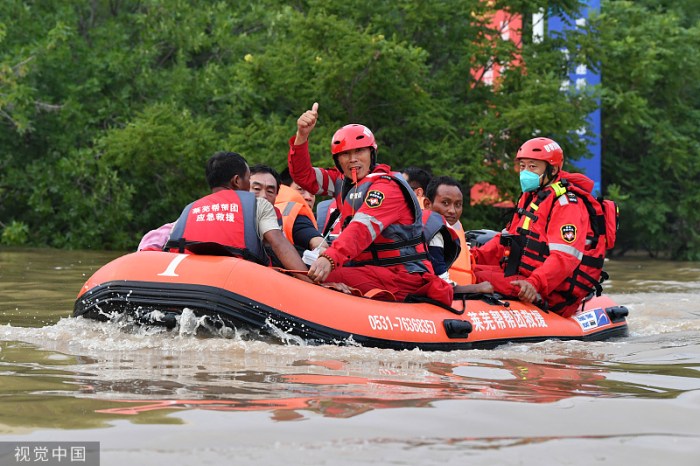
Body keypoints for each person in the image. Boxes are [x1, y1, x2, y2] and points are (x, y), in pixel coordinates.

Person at [287, 102, 453, 305]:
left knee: (311, 276)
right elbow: (303, 176)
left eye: (359, 152)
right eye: (345, 154)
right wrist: (301, 136)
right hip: (367, 270)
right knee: (297, 263)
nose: (353, 160)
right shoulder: (342, 182)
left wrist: (329, 258)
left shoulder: (387, 188)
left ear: (372, 153)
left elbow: (361, 229)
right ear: (337, 159)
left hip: (401, 276)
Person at [472, 137, 609, 317]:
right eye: (522, 166)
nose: (525, 172)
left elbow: (564, 258)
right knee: (468, 269)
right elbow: (507, 239)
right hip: (523, 277)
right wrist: (471, 257)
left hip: (549, 290)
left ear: (552, 169)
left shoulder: (567, 204)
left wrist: (535, 283)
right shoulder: (532, 198)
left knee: (473, 278)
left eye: (533, 166)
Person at [165, 151, 312, 283]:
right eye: (248, 179)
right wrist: (309, 282)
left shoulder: (190, 209)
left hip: (187, 278)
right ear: (236, 181)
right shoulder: (259, 204)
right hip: (239, 282)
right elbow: (279, 244)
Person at [423, 176, 493, 294]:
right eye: (445, 203)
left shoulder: (418, 223)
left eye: (458, 205)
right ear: (427, 204)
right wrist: (477, 288)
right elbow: (443, 286)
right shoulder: (434, 233)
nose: (452, 210)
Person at [249, 164, 326, 255]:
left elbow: (319, 244)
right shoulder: (232, 212)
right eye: (300, 189)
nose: (309, 197)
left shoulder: (296, 216)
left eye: (312, 192)